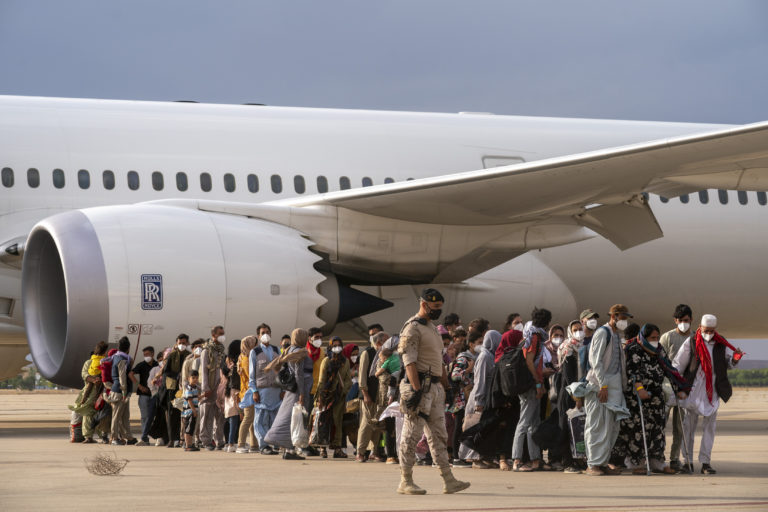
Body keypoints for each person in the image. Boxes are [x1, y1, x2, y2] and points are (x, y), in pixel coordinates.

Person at [396, 288, 470, 495]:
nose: (438, 311)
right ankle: (406, 480)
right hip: (420, 386)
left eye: (440, 307)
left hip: (435, 387)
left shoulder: (432, 328)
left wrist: (447, 387)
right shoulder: (412, 328)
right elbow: (409, 361)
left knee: (439, 435)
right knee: (411, 434)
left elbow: (438, 360)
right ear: (424, 304)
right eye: (435, 307)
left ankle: (448, 479)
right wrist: (416, 390)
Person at [674, 314, 743, 474]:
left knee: (709, 428)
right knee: (688, 428)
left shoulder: (720, 343)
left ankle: (705, 463)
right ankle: (687, 462)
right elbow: (678, 364)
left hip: (712, 391)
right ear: (700, 327)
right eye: (706, 330)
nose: (709, 334)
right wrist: (679, 388)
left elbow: (727, 365)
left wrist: (735, 359)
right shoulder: (691, 342)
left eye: (712, 331)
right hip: (692, 390)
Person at [618, 323, 688, 474]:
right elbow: (632, 372)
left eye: (657, 337)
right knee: (638, 430)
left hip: (656, 395)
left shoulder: (658, 350)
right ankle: (637, 463)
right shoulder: (633, 349)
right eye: (652, 338)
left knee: (657, 428)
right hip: (637, 397)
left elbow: (669, 368)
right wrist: (639, 388)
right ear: (644, 337)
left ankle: (657, 462)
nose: (656, 340)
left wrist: (679, 388)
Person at [583, 304, 631, 476]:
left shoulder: (616, 335)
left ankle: (602, 462)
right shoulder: (602, 333)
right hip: (600, 385)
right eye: (623, 318)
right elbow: (595, 361)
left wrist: (623, 385)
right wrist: (602, 385)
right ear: (615, 316)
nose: (624, 321)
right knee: (597, 425)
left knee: (611, 427)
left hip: (615, 386)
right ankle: (593, 464)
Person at [511, 308, 553, 472]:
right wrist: (537, 382)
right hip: (530, 385)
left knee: (533, 423)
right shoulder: (534, 337)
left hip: (532, 383)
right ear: (547, 322)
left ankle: (536, 459)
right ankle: (517, 459)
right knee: (524, 423)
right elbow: (530, 361)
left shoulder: (530, 335)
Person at [264, 328, 313, 460]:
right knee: (292, 419)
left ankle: (288, 449)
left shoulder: (290, 349)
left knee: (288, 416)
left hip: (292, 390)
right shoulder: (300, 352)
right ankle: (290, 450)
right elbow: (299, 373)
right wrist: (302, 393)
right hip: (298, 390)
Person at [659, 303, 693, 471]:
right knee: (660, 424)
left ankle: (674, 458)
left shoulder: (695, 338)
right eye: (680, 320)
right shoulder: (667, 337)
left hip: (684, 390)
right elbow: (659, 361)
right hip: (666, 387)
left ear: (691, 320)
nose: (683, 323)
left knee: (680, 427)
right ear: (675, 320)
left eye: (686, 320)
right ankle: (658, 456)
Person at [556, 320, 586, 473]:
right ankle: (566, 461)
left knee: (577, 428)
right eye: (575, 329)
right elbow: (568, 375)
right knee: (566, 427)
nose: (579, 331)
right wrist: (576, 396)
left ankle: (577, 459)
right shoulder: (568, 347)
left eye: (581, 329)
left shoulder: (581, 346)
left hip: (579, 392)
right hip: (569, 393)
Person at [247, 326, 283, 455]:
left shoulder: (276, 350)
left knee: (273, 418)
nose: (266, 335)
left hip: (275, 390)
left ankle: (271, 443)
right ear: (258, 336)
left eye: (268, 332)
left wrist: (283, 388)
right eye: (263, 333)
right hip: (262, 390)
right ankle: (263, 445)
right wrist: (254, 391)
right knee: (261, 419)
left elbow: (281, 370)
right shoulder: (255, 352)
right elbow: (252, 375)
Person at [315, 336, 352, 458]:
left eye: (338, 345)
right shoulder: (326, 361)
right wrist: (320, 397)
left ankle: (337, 449)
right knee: (324, 421)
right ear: (330, 347)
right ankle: (322, 448)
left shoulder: (345, 362)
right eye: (334, 345)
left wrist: (343, 389)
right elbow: (322, 380)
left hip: (339, 397)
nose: (337, 347)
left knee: (337, 422)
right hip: (326, 396)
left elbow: (348, 379)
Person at [356, 331, 388, 462]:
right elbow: (362, 376)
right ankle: (360, 452)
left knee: (378, 424)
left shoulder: (385, 354)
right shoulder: (367, 353)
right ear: (379, 342)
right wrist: (365, 394)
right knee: (367, 424)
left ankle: (374, 451)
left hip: (380, 395)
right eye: (386, 341)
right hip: (369, 394)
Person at [448, 331, 478, 467]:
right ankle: (456, 458)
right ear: (471, 344)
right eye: (479, 342)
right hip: (461, 398)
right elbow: (455, 376)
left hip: (468, 397)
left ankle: (463, 456)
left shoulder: (474, 356)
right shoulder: (464, 358)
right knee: (459, 427)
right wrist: (469, 370)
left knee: (464, 426)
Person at [70, 341, 109, 444]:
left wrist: (97, 380)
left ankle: (101, 436)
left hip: (99, 392)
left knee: (100, 414)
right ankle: (90, 437)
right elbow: (84, 374)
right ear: (104, 351)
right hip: (93, 393)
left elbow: (86, 374)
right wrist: (94, 380)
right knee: (90, 414)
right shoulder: (93, 362)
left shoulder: (99, 362)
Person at [200, 325, 227, 450]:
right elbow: (204, 372)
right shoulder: (206, 351)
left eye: (223, 333)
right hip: (209, 388)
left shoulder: (220, 350)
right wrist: (206, 389)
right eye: (220, 333)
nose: (222, 336)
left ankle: (219, 440)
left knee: (220, 415)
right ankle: (206, 440)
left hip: (219, 388)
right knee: (206, 415)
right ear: (213, 335)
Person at [163, 334, 190, 448]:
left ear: (187, 343)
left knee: (183, 414)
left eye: (184, 343)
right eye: (180, 343)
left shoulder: (189, 356)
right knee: (171, 413)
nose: (182, 345)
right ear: (176, 343)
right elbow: (166, 371)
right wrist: (176, 375)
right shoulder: (172, 355)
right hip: (173, 388)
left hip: (185, 389)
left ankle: (181, 439)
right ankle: (171, 439)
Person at [108, 336, 136, 445]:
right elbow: (122, 377)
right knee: (116, 416)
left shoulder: (115, 357)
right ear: (128, 348)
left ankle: (128, 437)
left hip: (121, 391)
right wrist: (124, 392)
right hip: (120, 392)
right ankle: (114, 438)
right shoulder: (122, 360)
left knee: (125, 416)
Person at [129, 346, 158, 446]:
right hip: (144, 394)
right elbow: (131, 374)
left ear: (153, 354)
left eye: (148, 354)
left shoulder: (157, 364)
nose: (146, 357)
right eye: (145, 355)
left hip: (154, 394)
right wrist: (139, 386)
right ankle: (144, 437)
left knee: (154, 417)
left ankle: (155, 436)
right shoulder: (141, 365)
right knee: (145, 416)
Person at [236, 335, 258, 454]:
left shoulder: (243, 356)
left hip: (247, 391)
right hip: (248, 392)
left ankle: (254, 445)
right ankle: (241, 444)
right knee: (248, 419)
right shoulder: (246, 359)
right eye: (254, 344)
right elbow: (251, 376)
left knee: (252, 420)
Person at [578, 309, 599, 380]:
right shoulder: (576, 341)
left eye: (594, 318)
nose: (593, 320)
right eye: (590, 318)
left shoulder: (598, 340)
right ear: (582, 321)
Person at [182, 370, 201, 452]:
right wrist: (194, 411)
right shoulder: (188, 388)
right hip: (189, 412)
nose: (195, 379)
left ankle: (190, 443)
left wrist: (203, 396)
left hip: (194, 411)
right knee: (188, 429)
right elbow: (189, 400)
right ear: (188, 378)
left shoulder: (196, 388)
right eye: (193, 378)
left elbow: (196, 398)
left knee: (192, 429)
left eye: (196, 378)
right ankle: (187, 445)